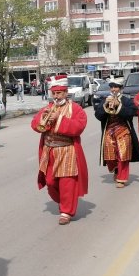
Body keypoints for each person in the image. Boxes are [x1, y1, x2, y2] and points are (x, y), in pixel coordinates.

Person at [31, 75, 88, 225]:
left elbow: (79, 127)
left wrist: (59, 119)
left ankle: (66, 211)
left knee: (67, 183)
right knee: (50, 182)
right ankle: (64, 201)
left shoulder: (76, 109)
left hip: (67, 150)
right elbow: (35, 124)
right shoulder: (47, 108)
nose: (56, 96)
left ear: (66, 92)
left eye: (59, 93)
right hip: (49, 151)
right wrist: (41, 119)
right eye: (54, 93)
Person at [94, 78, 139, 188]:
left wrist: (119, 105)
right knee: (109, 156)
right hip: (109, 131)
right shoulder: (105, 100)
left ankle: (122, 178)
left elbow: (131, 113)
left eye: (116, 87)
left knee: (123, 155)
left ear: (120, 88)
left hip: (123, 131)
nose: (113, 89)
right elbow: (98, 116)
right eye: (112, 87)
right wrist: (105, 106)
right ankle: (116, 168)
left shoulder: (127, 100)